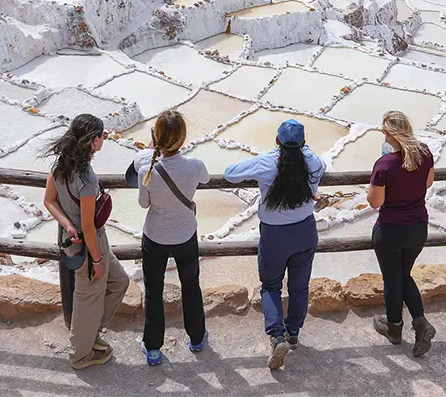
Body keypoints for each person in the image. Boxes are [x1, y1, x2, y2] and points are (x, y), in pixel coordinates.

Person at [224, 119, 326, 370]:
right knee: (299, 287)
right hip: (305, 230)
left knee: (270, 285)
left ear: (277, 141)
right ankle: (293, 333)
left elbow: (229, 173)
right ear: (304, 143)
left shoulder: (267, 162)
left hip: (275, 235)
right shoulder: (313, 163)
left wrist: (274, 153)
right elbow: (321, 163)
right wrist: (305, 149)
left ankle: (277, 336)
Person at [41, 114, 130, 369]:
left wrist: (67, 225)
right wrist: (98, 260)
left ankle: (89, 333)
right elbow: (89, 225)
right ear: (93, 141)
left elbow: (49, 200)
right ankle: (80, 355)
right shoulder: (87, 179)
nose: (104, 138)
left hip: (75, 241)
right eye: (102, 135)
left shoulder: (60, 166)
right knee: (86, 296)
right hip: (90, 246)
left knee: (119, 281)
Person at [134, 110, 209, 366]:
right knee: (191, 284)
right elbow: (206, 178)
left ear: (156, 138)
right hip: (186, 233)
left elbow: (144, 204)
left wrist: (148, 154)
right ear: (182, 137)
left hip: (156, 235)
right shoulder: (195, 166)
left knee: (154, 291)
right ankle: (197, 338)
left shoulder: (148, 170)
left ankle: (153, 348)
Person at [366, 111, 437, 357]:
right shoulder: (425, 153)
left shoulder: (384, 164)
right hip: (418, 227)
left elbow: (375, 202)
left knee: (393, 278)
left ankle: (395, 327)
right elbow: (427, 183)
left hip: (390, 230)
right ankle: (419, 323)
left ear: (388, 134)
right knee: (403, 275)